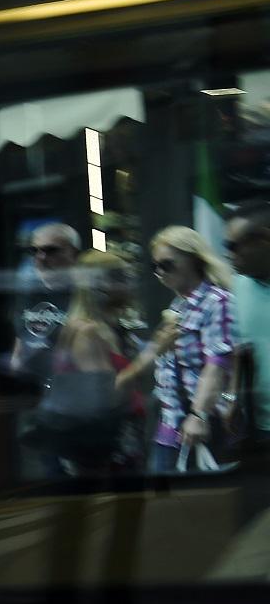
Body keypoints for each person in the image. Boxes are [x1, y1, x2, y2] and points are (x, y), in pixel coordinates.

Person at [120, 225, 233, 473]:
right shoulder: (178, 306)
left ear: (193, 260)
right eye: (155, 267)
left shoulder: (216, 302)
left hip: (201, 425)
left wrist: (199, 415)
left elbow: (217, 366)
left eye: (167, 264)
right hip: (171, 423)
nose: (160, 273)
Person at [23, 250, 143, 476]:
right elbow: (107, 394)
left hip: (123, 435)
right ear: (98, 285)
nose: (130, 283)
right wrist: (154, 352)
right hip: (98, 448)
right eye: (120, 277)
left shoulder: (115, 329)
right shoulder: (85, 331)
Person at [7, 221, 82, 386]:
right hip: (31, 386)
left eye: (51, 250)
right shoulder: (28, 292)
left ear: (74, 254)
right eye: (34, 251)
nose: (41, 258)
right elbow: (21, 336)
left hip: (71, 386)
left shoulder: (85, 294)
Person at [225, 200, 270, 444]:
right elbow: (241, 349)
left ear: (263, 239)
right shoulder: (239, 287)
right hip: (261, 429)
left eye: (233, 246)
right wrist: (233, 397)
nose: (228, 254)